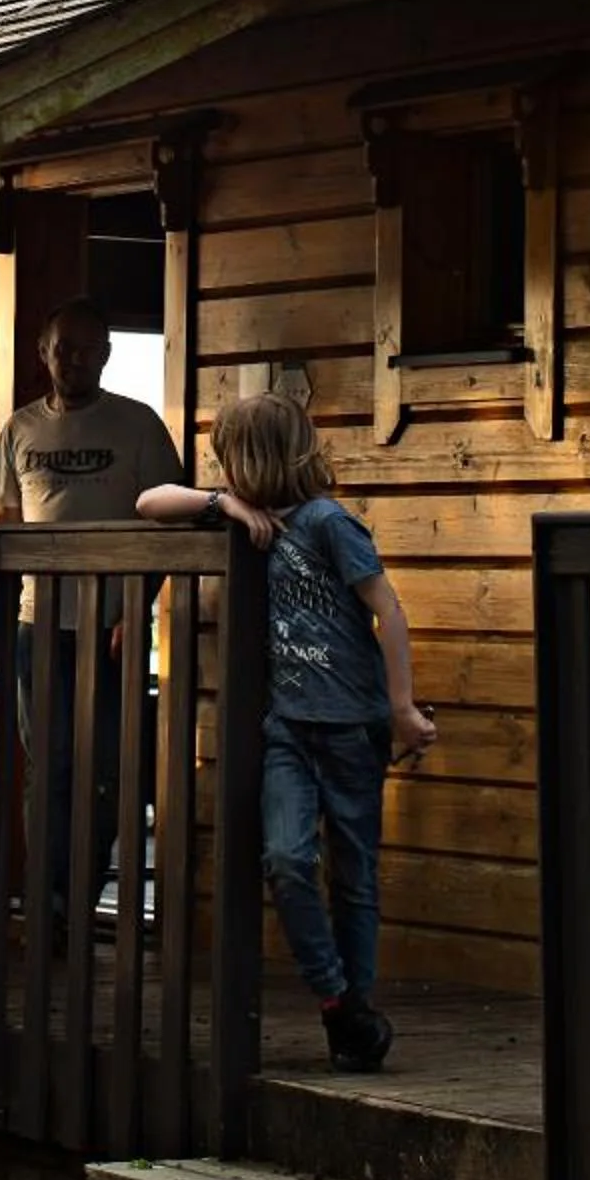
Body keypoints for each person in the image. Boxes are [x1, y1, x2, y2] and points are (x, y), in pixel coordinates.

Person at [136, 391, 435, 1072]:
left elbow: (387, 611)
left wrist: (401, 707)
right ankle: (340, 1002)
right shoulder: (249, 521)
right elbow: (149, 502)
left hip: (353, 727)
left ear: (257, 455)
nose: (224, 468)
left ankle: (351, 1024)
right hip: (288, 733)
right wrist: (224, 505)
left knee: (354, 878)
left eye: (229, 460)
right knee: (288, 859)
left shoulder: (330, 523)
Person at [0, 298, 181, 926]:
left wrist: (136, 605)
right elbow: (2, 527)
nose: (72, 359)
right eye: (61, 347)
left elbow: (167, 523)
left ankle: (80, 895)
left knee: (103, 766)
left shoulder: (138, 426)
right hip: (34, 624)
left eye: (86, 348)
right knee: (47, 766)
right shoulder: (18, 430)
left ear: (105, 355)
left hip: (112, 626)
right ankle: (45, 898)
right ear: (43, 353)